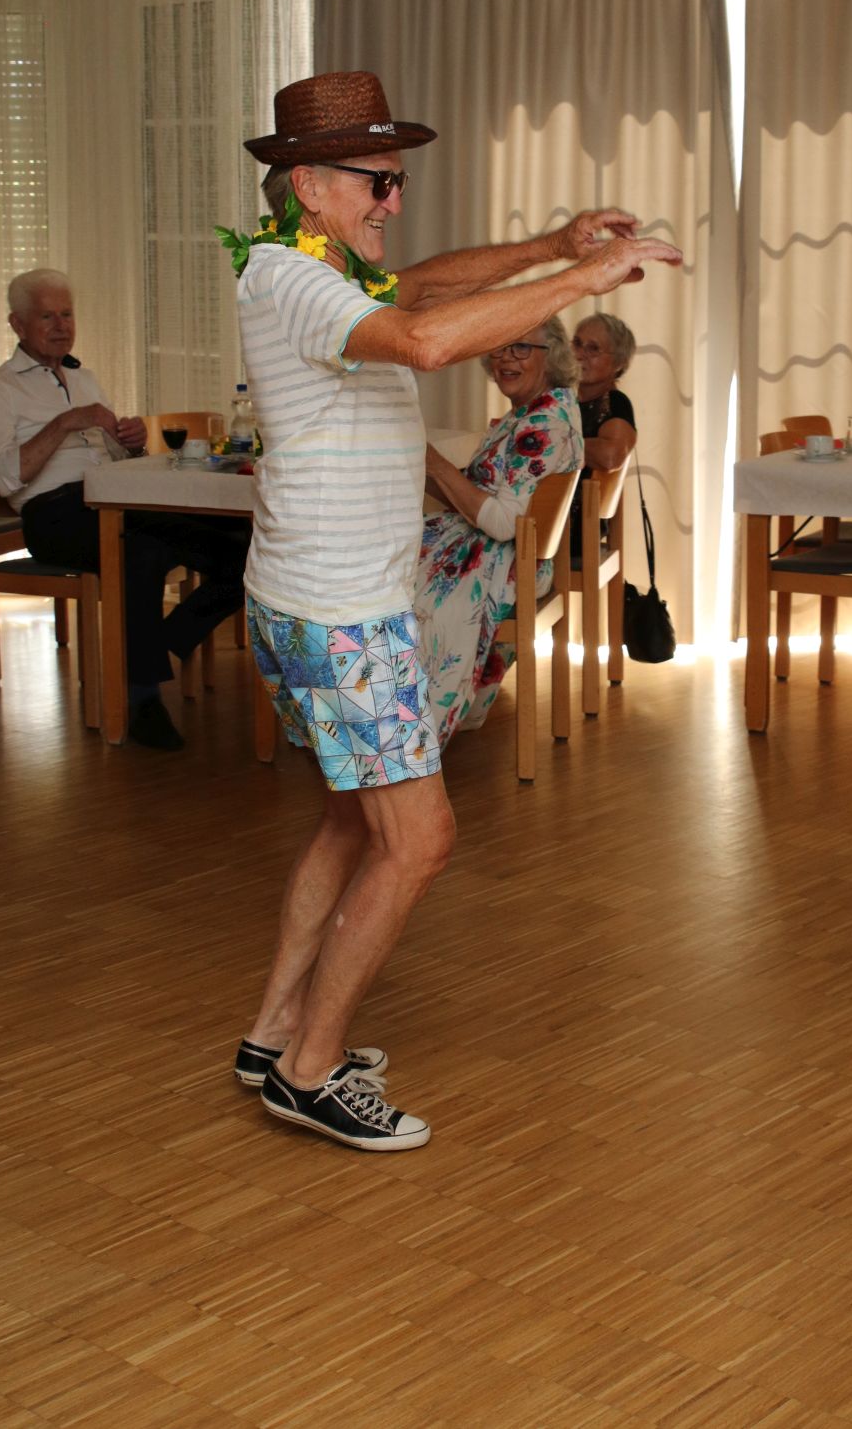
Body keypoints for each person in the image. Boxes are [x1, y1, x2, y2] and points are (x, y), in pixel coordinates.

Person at [232, 69, 681, 1153]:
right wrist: (589, 272)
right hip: (341, 613)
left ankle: (273, 1032)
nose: (394, 200)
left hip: (323, 596)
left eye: (397, 180)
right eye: (376, 181)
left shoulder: (323, 266)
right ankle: (308, 1070)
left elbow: (428, 286)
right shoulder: (292, 279)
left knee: (354, 819)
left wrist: (549, 245)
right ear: (307, 184)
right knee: (421, 838)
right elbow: (430, 340)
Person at [0, 269, 250, 751]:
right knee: (140, 553)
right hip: (54, 515)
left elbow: (117, 460)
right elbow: (2, 477)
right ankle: (142, 699)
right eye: (47, 316)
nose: (61, 326)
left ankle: (166, 641)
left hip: (114, 497)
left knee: (241, 543)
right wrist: (64, 423)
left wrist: (131, 443)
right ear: (17, 324)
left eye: (67, 314)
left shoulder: (85, 378)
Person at [416, 318, 582, 748]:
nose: (506, 358)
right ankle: (383, 718)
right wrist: (415, 464)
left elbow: (504, 523)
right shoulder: (530, 412)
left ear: (551, 357)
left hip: (511, 562)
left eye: (521, 348)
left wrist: (435, 464)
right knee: (386, 557)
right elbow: (475, 498)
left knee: (386, 588)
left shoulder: (544, 424)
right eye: (499, 347)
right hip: (500, 551)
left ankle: (403, 731)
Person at [568, 312, 639, 563]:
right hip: (551, 524)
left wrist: (553, 444)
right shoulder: (565, 401)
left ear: (618, 363)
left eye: (593, 348)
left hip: (571, 531)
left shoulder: (616, 403)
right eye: (577, 344)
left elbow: (610, 456)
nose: (579, 354)